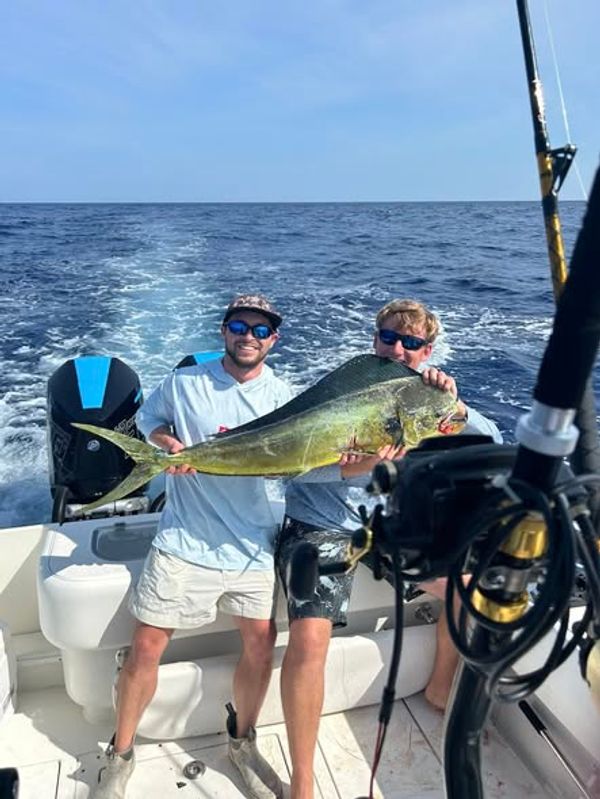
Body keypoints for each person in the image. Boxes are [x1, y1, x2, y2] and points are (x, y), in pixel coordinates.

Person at [277, 298, 502, 799]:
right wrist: (356, 467)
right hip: (322, 523)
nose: (398, 349)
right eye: (389, 338)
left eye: (412, 342)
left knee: (467, 589)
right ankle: (303, 780)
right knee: (310, 638)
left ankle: (439, 690)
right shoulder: (344, 390)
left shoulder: (429, 399)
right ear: (374, 340)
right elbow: (292, 469)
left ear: (427, 351)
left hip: (389, 526)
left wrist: (457, 406)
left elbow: (491, 440)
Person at [94, 294, 292, 799]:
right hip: (184, 536)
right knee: (145, 646)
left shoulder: (283, 397)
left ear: (273, 340)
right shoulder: (184, 382)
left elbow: (294, 461)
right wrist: (167, 444)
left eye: (261, 330)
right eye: (239, 326)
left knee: (262, 644)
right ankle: (119, 754)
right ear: (224, 330)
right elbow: (148, 420)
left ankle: (242, 744)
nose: (249, 336)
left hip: (250, 542)